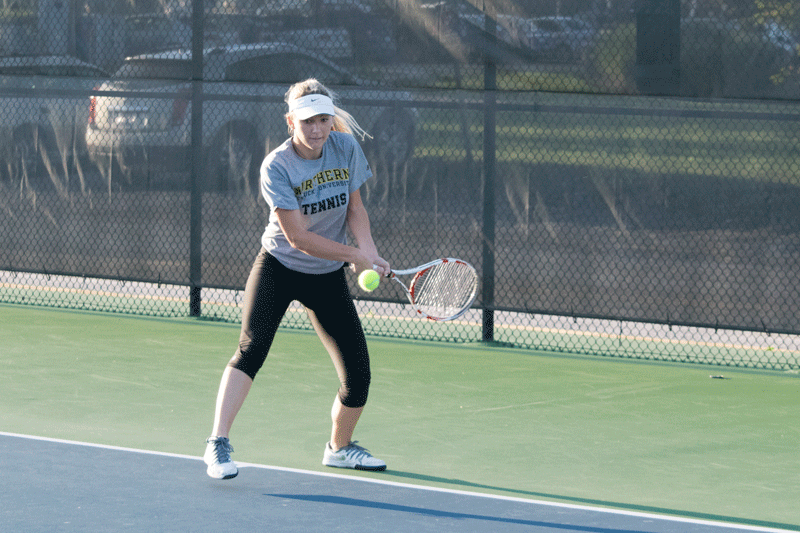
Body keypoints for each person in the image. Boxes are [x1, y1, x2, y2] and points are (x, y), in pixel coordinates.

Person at [203, 78, 390, 480]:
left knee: (358, 374)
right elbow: (299, 237)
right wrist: (354, 255)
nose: (318, 129)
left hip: (326, 276)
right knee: (251, 349)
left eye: (323, 119)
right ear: (291, 121)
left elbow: (355, 207)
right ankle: (217, 444)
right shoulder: (277, 165)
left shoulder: (345, 148)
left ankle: (339, 448)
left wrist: (368, 251)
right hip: (279, 267)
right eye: (308, 121)